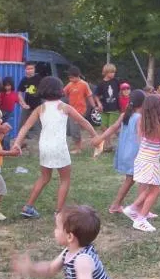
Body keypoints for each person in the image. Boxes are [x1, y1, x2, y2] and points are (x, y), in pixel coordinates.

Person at [14, 76, 97, 218]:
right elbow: (83, 122)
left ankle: (28, 207)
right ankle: (58, 212)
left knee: (44, 177)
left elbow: (26, 126)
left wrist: (16, 143)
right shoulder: (65, 107)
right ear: (60, 90)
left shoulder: (40, 109)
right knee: (65, 179)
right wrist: (96, 136)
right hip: (59, 147)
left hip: (44, 147)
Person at [12, 205, 118, 279]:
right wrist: (32, 269)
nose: (54, 230)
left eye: (57, 227)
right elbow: (50, 269)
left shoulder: (82, 259)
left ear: (69, 237)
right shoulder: (69, 251)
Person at [119, 94, 160, 232]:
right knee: (155, 190)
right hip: (150, 162)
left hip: (141, 160)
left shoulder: (142, 122)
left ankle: (134, 209)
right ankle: (140, 219)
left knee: (149, 189)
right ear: (158, 109)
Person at [92, 90, 146, 214]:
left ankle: (117, 205)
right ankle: (138, 208)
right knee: (140, 180)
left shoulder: (125, 115)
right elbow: (140, 137)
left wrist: (100, 138)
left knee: (131, 179)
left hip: (124, 152)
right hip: (135, 153)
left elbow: (112, 127)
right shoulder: (139, 118)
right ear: (143, 103)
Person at [63, 66, 96, 154]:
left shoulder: (84, 84)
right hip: (71, 110)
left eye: (72, 77)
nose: (70, 79)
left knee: (75, 129)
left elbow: (89, 96)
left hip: (81, 110)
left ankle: (79, 148)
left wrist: (94, 106)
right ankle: (94, 139)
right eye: (69, 77)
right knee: (75, 129)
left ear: (78, 76)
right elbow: (63, 93)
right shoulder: (69, 85)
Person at [93, 63, 121, 155]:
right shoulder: (101, 84)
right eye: (111, 72)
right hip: (104, 109)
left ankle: (121, 141)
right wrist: (99, 103)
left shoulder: (116, 81)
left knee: (112, 127)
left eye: (114, 72)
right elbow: (96, 95)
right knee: (104, 127)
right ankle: (109, 145)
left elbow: (122, 91)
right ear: (106, 72)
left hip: (114, 108)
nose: (113, 74)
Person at [17, 61, 42, 146]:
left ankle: (42, 145)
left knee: (38, 126)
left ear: (34, 69)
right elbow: (19, 93)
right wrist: (23, 104)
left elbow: (44, 90)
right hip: (27, 107)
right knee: (22, 125)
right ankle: (20, 144)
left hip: (37, 107)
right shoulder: (24, 80)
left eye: (31, 68)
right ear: (25, 70)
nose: (30, 70)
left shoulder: (39, 78)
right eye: (28, 69)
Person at [0, 76, 18, 150]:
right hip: (1, 113)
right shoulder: (1, 93)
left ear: (11, 85)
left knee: (7, 130)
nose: (7, 87)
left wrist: (24, 105)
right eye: (5, 85)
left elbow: (18, 101)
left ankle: (6, 148)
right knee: (0, 130)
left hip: (10, 114)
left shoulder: (14, 94)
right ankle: (0, 147)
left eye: (9, 85)